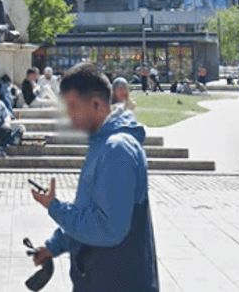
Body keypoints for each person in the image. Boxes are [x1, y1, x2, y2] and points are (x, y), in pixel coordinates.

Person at [31, 63, 158, 292]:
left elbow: (108, 228)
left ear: (97, 104)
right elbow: (90, 210)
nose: (68, 115)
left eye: (72, 106)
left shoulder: (117, 149)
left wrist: (56, 208)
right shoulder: (102, 144)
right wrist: (54, 245)